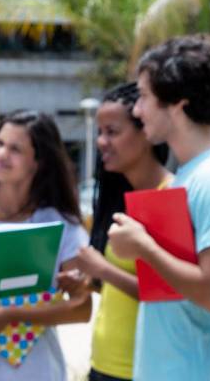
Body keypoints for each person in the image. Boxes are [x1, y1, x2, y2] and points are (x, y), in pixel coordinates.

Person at [108, 37, 210, 380]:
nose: (137, 111)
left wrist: (143, 246)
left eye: (143, 97)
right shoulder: (189, 176)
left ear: (178, 105)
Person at [0, 110, 92, 381]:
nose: (0, 154)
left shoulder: (61, 224)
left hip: (38, 371)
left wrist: (8, 315)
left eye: (15, 149)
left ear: (37, 162)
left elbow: (82, 307)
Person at [72, 82, 171, 381]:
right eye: (100, 132)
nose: (102, 142)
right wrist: (87, 282)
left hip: (140, 371)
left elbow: (169, 295)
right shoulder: (120, 199)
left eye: (112, 132)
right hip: (103, 365)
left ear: (147, 133)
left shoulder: (170, 195)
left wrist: (103, 269)